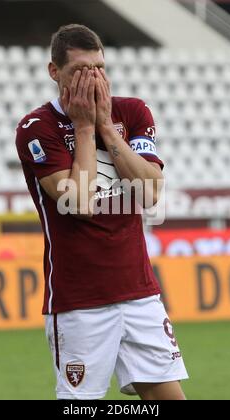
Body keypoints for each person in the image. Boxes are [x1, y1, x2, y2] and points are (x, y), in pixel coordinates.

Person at [16, 24, 188, 400]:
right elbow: (78, 203)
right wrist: (83, 127)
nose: (93, 78)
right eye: (80, 70)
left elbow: (151, 192)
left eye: (100, 68)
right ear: (54, 72)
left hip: (140, 293)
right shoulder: (36, 128)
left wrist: (107, 128)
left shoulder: (132, 111)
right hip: (80, 302)